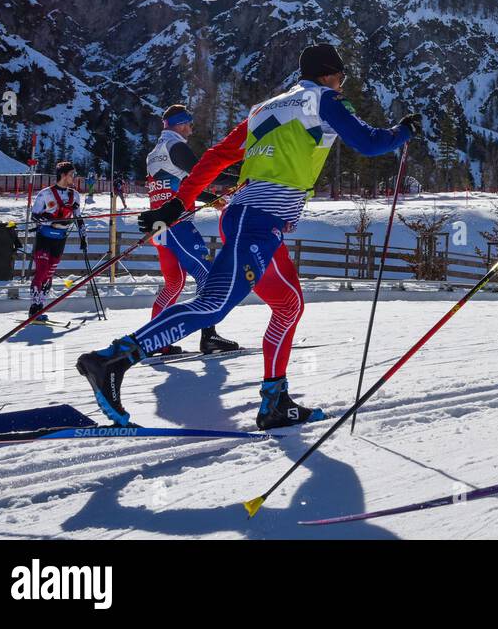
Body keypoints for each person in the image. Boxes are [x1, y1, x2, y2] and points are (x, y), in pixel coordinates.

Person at [77, 43, 421, 429]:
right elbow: (370, 142)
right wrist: (403, 131)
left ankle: (275, 403)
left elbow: (216, 156)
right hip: (254, 222)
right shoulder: (322, 100)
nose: (342, 84)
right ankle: (111, 360)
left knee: (288, 304)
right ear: (328, 74)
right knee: (213, 305)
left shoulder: (264, 109)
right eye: (341, 77)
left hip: (256, 222)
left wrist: (178, 204)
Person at [142, 104, 237, 356]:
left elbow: (186, 184)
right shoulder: (176, 146)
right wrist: (242, 178)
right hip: (177, 224)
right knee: (207, 275)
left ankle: (155, 340)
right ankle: (209, 336)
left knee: (174, 283)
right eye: (189, 124)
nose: (191, 130)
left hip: (159, 227)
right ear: (181, 123)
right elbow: (204, 174)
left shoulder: (156, 151)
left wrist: (212, 199)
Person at [27, 161, 83, 320]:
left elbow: (79, 218)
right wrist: (46, 218)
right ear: (63, 175)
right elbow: (34, 216)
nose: (74, 177)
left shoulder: (75, 195)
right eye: (72, 174)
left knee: (49, 273)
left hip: (60, 238)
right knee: (42, 270)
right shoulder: (45, 194)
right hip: (44, 236)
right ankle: (34, 307)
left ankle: (41, 305)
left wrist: (83, 237)